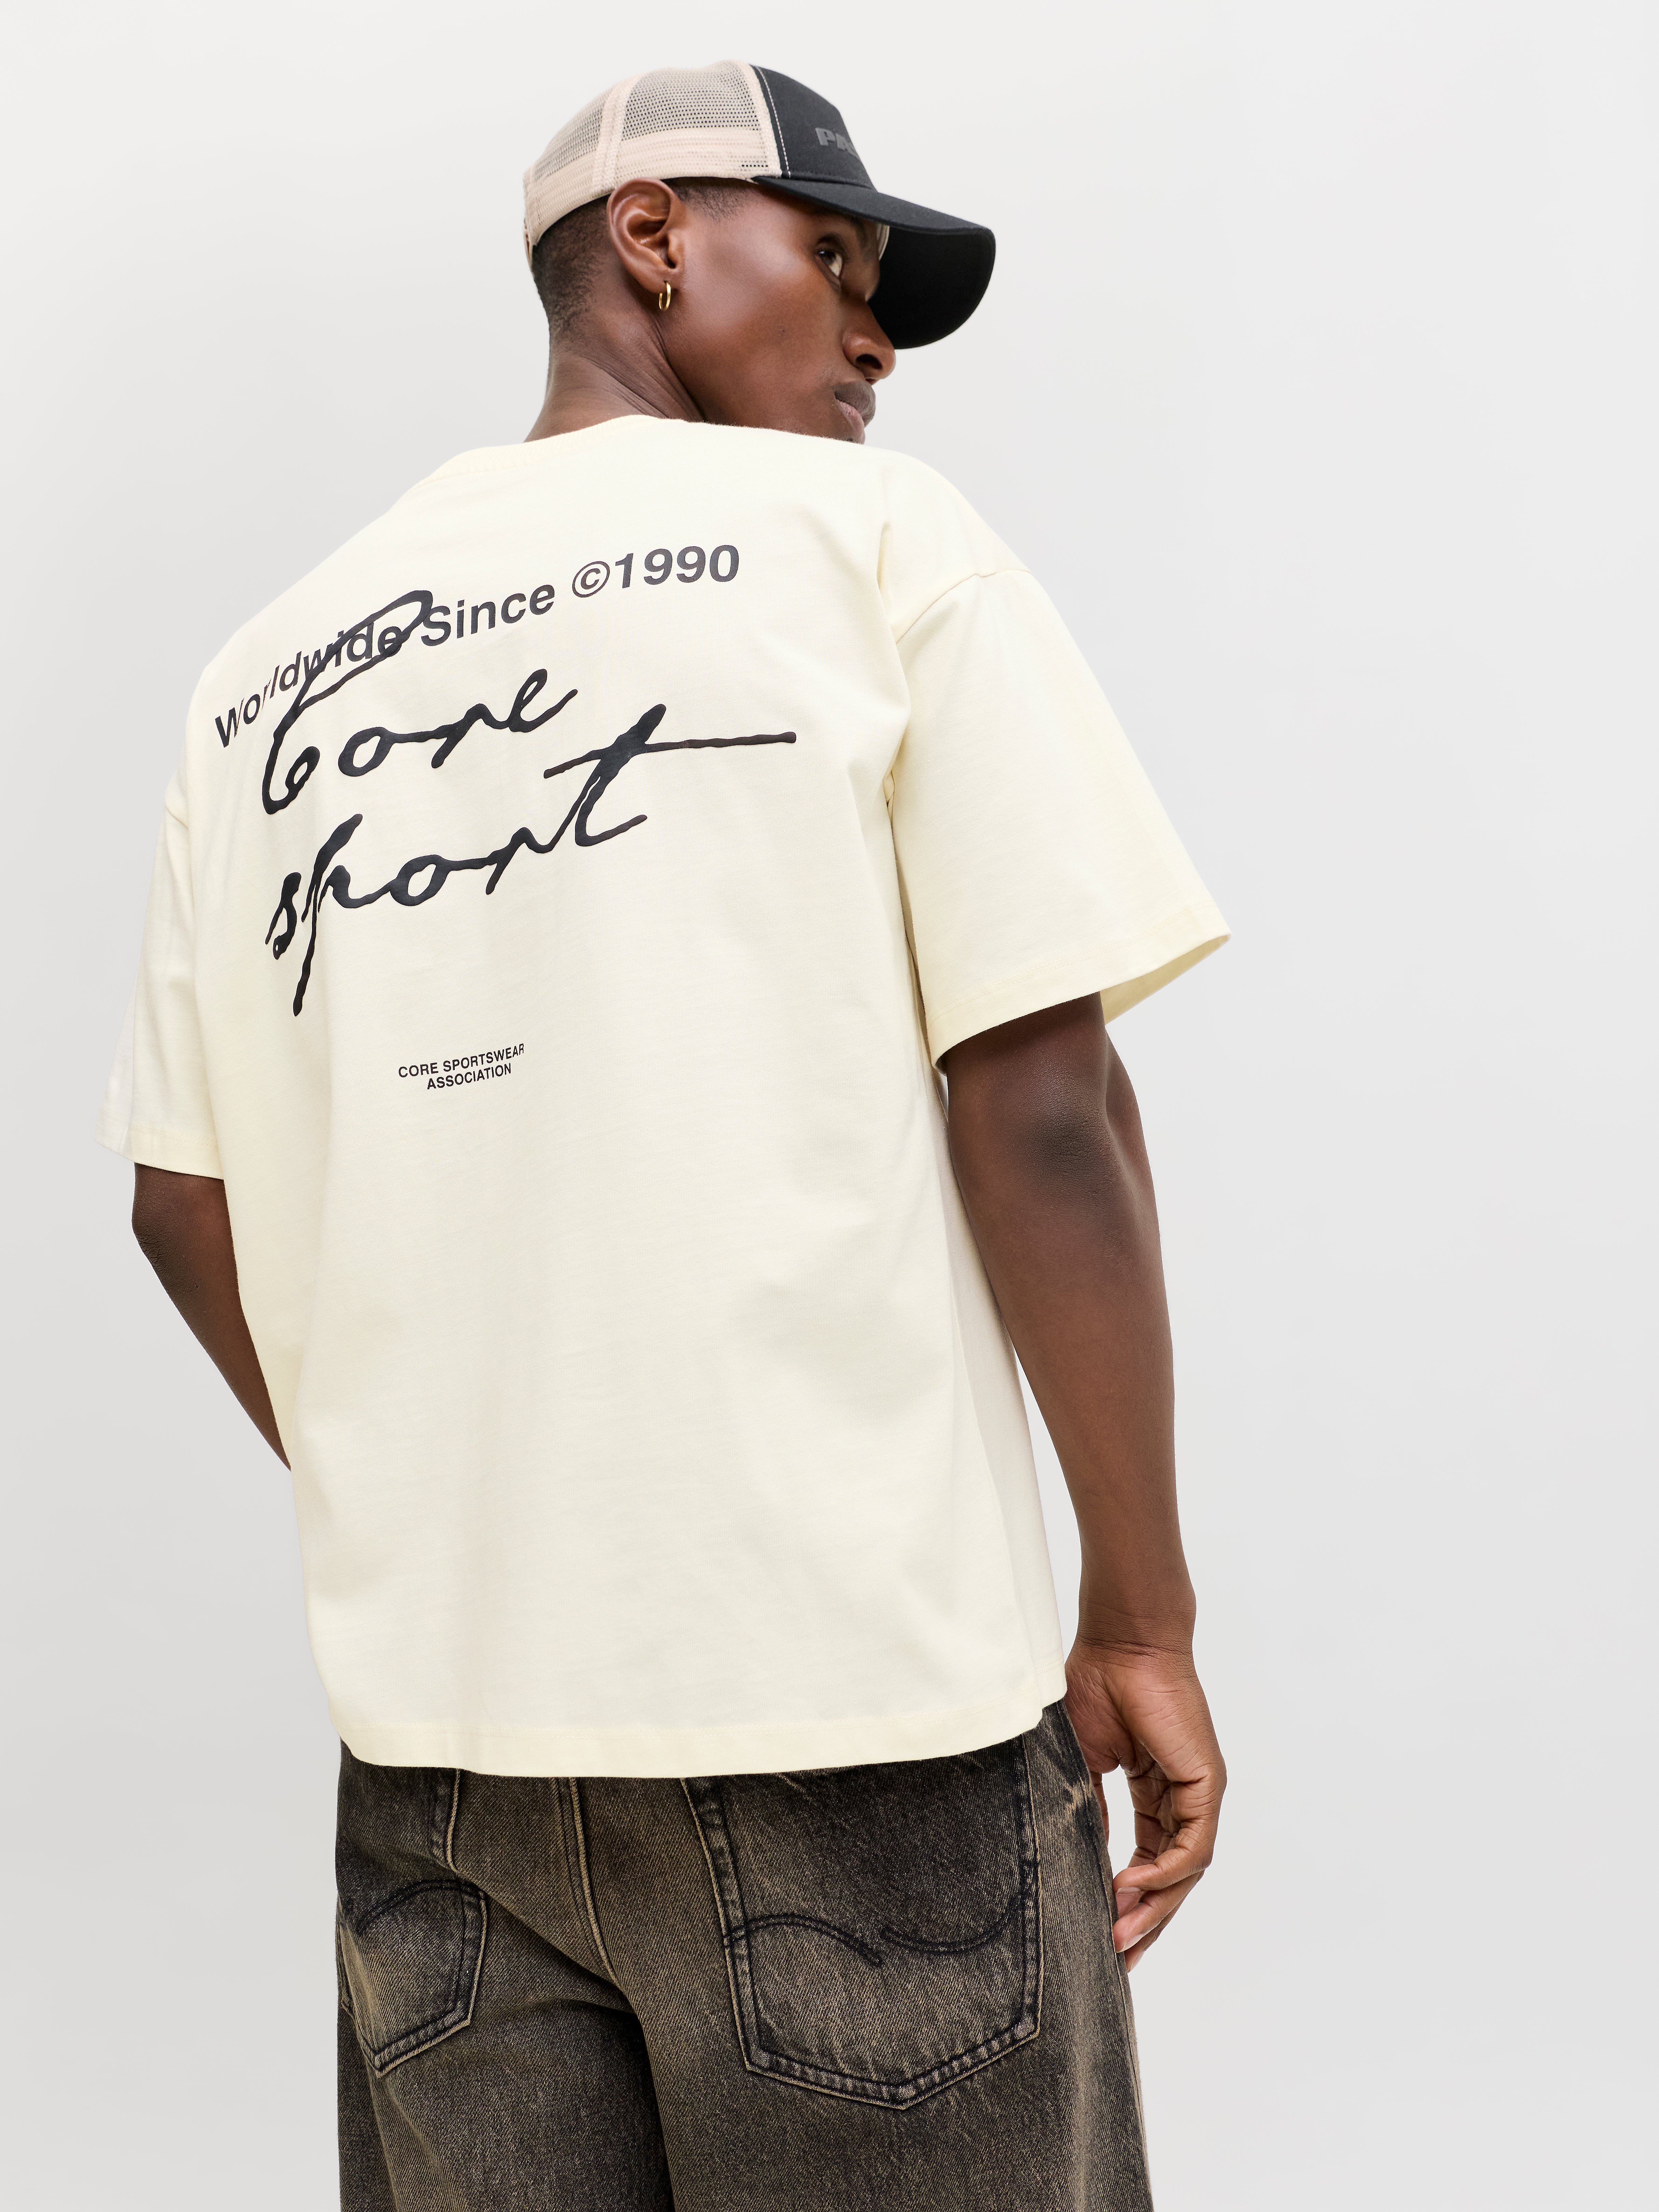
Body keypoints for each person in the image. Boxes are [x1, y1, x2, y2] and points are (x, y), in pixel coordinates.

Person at [101, 59, 1229, 2211]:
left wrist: (453, 1499)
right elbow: (1045, 1102)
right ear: (654, 236)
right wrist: (1142, 1621)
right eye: (839, 260)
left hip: (445, 1784)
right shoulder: (870, 548)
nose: (877, 337)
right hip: (858, 1730)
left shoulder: (261, 680)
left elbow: (181, 1202)